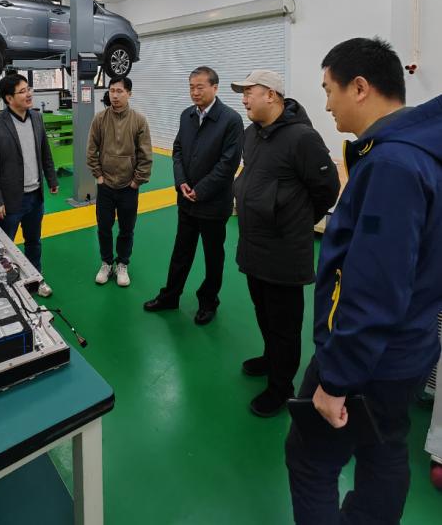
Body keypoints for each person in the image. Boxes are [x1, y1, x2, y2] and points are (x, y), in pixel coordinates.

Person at [285, 37, 442, 524]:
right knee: (383, 449)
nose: (326, 104)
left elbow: (374, 287)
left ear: (359, 87)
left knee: (310, 460)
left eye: (328, 90)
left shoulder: (392, 165)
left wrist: (336, 379)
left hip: (367, 360)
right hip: (411, 348)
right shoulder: (423, 151)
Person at [231, 70, 339, 417]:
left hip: (284, 251)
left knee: (285, 324)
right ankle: (270, 358)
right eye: (243, 93)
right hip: (254, 244)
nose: (244, 99)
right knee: (263, 311)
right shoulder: (251, 134)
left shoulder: (302, 138)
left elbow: (327, 189)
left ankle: (281, 388)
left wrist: (298, 219)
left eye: (249, 92)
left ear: (272, 95)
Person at [143, 66, 243, 325]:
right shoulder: (186, 115)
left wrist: (201, 190)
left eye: (200, 87)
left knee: (213, 256)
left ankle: (208, 302)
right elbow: (177, 150)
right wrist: (182, 182)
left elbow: (228, 164)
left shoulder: (231, 120)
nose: (195, 92)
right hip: (187, 201)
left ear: (215, 88)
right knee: (181, 252)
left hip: (213, 204)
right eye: (191, 87)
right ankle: (170, 296)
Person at [0, 74, 59, 297]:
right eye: (23, 91)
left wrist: (51, 179)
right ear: (9, 98)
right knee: (4, 247)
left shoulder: (36, 118)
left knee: (34, 242)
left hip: (35, 196)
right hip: (10, 200)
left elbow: (45, 151)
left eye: (29, 89)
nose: (29, 94)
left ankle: (36, 278)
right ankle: (4, 286)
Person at [87, 77, 152, 286]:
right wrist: (99, 176)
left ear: (129, 94)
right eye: (111, 90)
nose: (114, 95)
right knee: (103, 227)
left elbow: (145, 155)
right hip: (105, 186)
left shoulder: (139, 120)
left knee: (126, 229)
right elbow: (91, 150)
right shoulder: (99, 119)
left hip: (128, 187)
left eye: (119, 91)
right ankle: (106, 263)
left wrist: (136, 182)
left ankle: (122, 264)